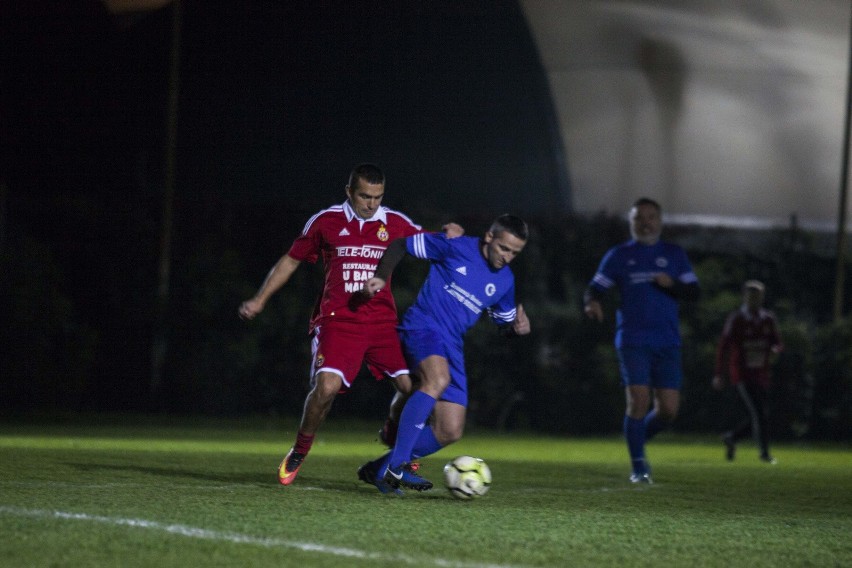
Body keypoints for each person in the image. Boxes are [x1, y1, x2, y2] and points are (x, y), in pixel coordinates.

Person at [238, 163, 463, 486]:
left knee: (415, 389)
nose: (371, 204)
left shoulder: (395, 223)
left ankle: (395, 438)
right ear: (349, 192)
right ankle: (301, 449)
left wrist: (448, 234)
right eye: (364, 196)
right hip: (338, 322)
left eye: (378, 197)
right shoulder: (326, 221)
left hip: (383, 324)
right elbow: (291, 260)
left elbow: (432, 244)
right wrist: (260, 300)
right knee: (326, 387)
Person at [356, 214, 531, 493]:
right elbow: (401, 245)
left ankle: (379, 469)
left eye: (514, 253)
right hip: (422, 326)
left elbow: (503, 325)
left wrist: (516, 329)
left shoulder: (505, 281)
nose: (507, 257)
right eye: (504, 248)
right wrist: (380, 276)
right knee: (437, 380)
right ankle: (396, 465)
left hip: (452, 344)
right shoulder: (455, 245)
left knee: (450, 430)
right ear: (489, 237)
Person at [584, 197, 699, 483]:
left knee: (668, 411)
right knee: (638, 400)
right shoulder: (619, 255)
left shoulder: (673, 254)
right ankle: (639, 467)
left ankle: (636, 439)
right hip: (633, 339)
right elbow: (594, 288)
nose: (645, 223)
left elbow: (694, 292)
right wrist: (592, 303)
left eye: (650, 217)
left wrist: (672, 284)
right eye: (638, 218)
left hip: (667, 341)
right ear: (631, 223)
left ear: (659, 222)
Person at [712, 280, 783, 464]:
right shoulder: (737, 319)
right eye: (751, 296)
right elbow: (724, 347)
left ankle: (732, 438)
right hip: (742, 373)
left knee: (760, 414)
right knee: (759, 412)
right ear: (745, 297)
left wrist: (776, 350)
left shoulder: (767, 318)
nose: (755, 300)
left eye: (758, 296)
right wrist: (719, 373)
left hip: (762, 373)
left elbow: (777, 342)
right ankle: (764, 453)